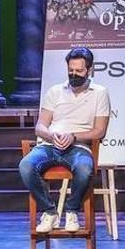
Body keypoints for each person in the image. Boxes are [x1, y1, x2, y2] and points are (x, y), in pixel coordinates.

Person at [19, 47, 110, 234]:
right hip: (50, 145)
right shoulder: (55, 91)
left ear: (90, 70)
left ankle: (71, 211)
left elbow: (100, 131)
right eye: (71, 70)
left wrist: (73, 136)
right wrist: (52, 135)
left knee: (84, 169)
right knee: (26, 165)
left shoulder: (100, 93)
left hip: (78, 147)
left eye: (79, 70)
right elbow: (40, 127)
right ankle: (49, 211)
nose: (74, 74)